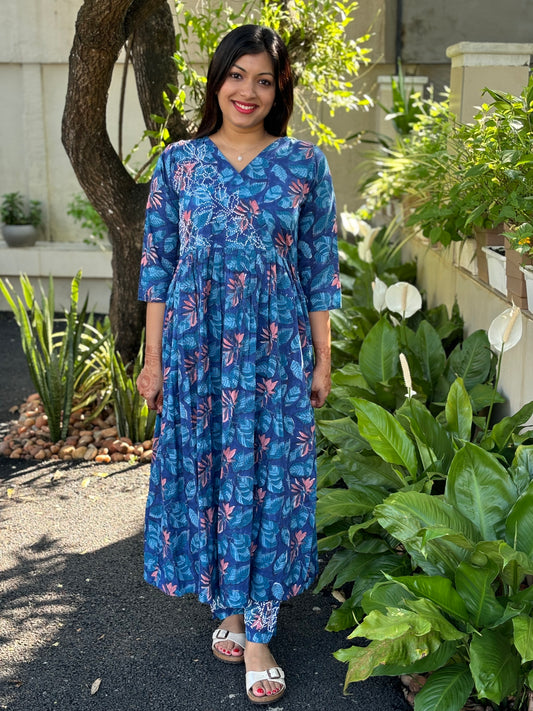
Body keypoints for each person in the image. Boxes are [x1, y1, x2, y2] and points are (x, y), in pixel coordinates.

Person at [136, 24, 341, 704]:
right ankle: (229, 605)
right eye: (236, 75)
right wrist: (153, 359)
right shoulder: (180, 163)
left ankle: (258, 634)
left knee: (269, 481)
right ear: (217, 79)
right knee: (212, 475)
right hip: (197, 353)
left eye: (263, 80)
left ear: (279, 91)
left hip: (274, 354)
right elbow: (157, 268)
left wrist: (322, 358)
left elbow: (318, 269)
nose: (247, 91)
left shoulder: (304, 163)